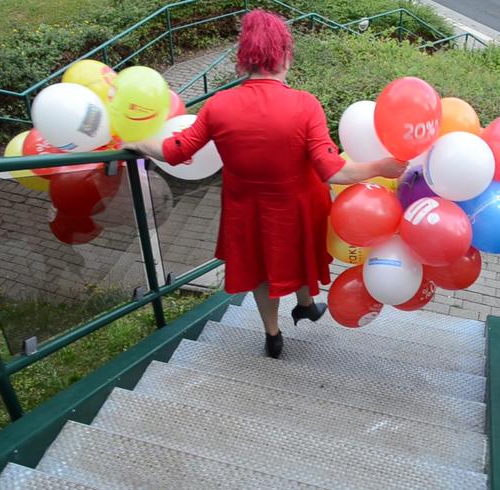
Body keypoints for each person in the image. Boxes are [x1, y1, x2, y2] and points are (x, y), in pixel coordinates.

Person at [124, 10, 404, 359]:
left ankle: (273, 335)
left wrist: (135, 142)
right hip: (299, 207)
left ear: (246, 58)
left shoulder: (219, 105)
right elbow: (333, 171)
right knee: (300, 255)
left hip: (247, 211)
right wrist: (382, 166)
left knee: (261, 271)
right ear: (283, 54)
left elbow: (174, 151)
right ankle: (305, 304)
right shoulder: (305, 105)